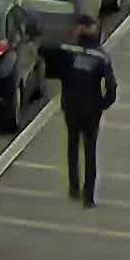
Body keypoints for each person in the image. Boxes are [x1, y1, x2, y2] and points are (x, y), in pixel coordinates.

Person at [48, 15, 120, 205]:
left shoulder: (69, 52)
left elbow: (54, 70)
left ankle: (74, 188)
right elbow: (111, 87)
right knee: (90, 150)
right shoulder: (101, 56)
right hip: (92, 109)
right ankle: (89, 196)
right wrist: (103, 104)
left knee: (72, 146)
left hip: (71, 106)